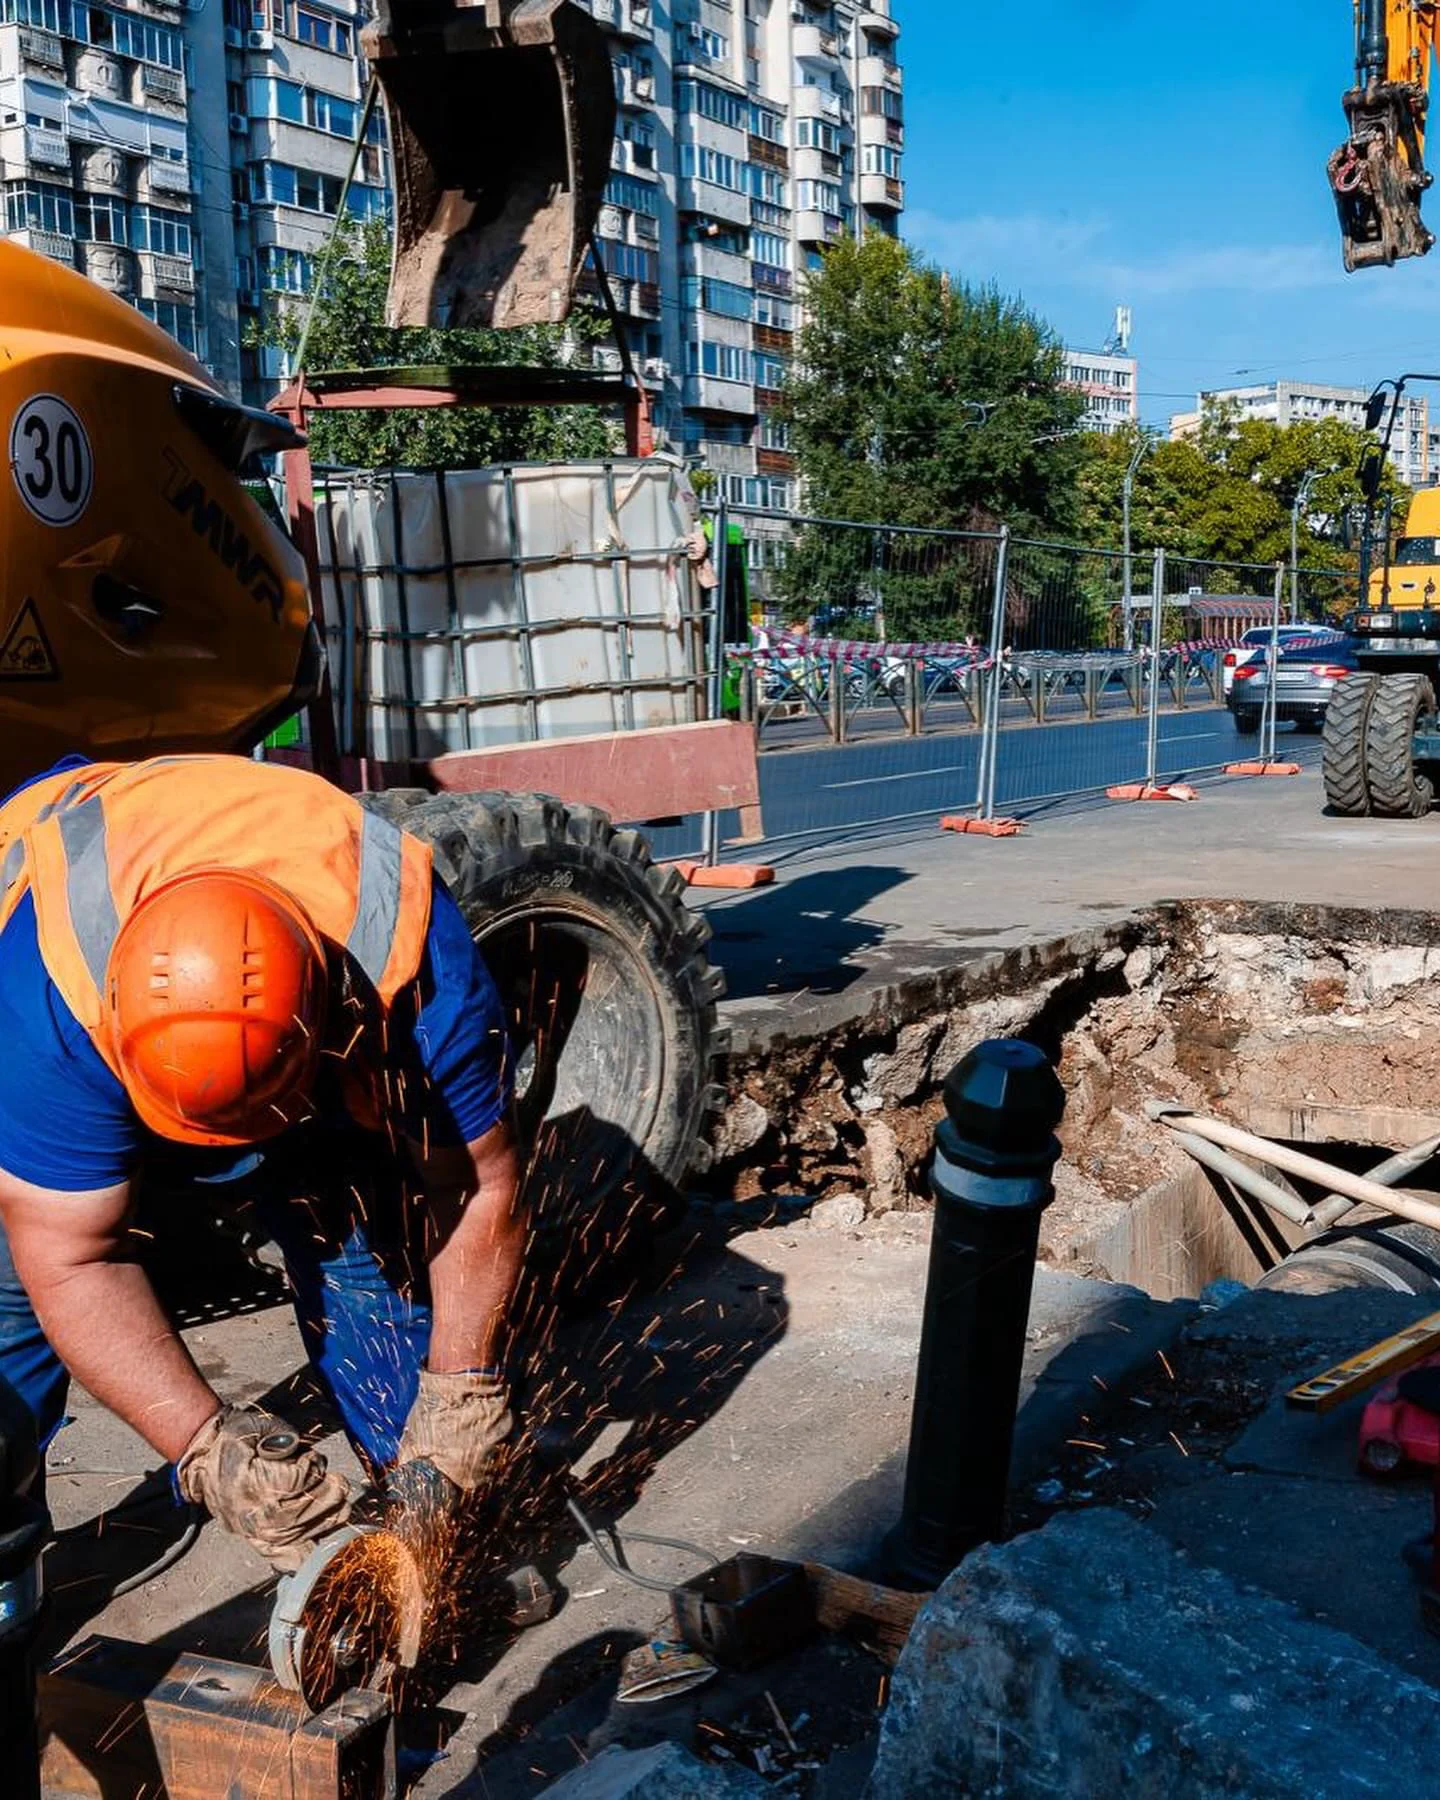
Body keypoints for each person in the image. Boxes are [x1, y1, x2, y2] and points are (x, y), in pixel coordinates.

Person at [0, 752, 522, 1572]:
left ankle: (427, 1536)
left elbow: (476, 1186)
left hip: (312, 981)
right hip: (55, 941)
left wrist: (463, 1390)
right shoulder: (48, 1019)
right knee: (11, 1303)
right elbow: (71, 1257)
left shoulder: (415, 976)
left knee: (353, 1233)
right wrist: (210, 1448)